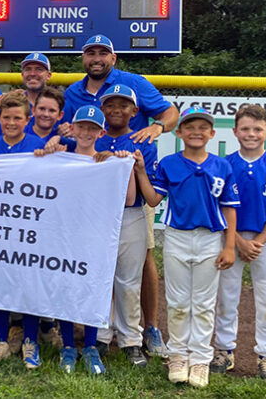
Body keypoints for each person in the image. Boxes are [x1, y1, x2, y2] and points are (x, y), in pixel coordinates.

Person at [63, 34, 179, 357]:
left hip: (133, 206)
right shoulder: (74, 92)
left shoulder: (133, 84)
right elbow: (69, 135)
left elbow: (170, 114)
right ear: (83, 58)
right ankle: (100, 333)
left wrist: (157, 128)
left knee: (138, 264)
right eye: (90, 53)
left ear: (113, 58)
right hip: (94, 209)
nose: (97, 58)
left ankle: (144, 332)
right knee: (98, 270)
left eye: (104, 52)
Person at [133, 106, 239, 388]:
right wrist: (142, 172)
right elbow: (154, 200)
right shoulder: (169, 163)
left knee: (203, 304)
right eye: (190, 127)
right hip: (177, 237)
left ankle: (201, 359)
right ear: (179, 132)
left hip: (209, 239)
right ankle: (178, 355)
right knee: (179, 302)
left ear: (212, 133)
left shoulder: (222, 166)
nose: (196, 132)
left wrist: (230, 246)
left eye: (203, 127)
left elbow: (229, 208)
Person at [212, 104, 266, 382]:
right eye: (245, 129)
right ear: (235, 132)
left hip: (265, 240)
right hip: (231, 239)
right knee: (226, 297)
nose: (251, 134)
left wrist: (257, 243)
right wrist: (237, 241)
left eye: (258, 129)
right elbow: (218, 206)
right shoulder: (225, 165)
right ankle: (224, 351)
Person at [56, 105, 136, 375]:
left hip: (95, 236)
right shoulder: (61, 157)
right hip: (64, 234)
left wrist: (127, 166)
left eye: (93, 128)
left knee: (92, 288)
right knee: (67, 288)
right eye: (82, 127)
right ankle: (68, 345)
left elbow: (129, 199)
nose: (87, 132)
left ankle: (90, 346)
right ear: (73, 128)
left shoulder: (108, 162)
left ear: (101, 132)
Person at [0, 91, 48, 369]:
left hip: (28, 226)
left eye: (17, 118)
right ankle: (1, 339)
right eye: (6, 117)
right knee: (1, 283)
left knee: (27, 283)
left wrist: (48, 155)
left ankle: (30, 340)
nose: (11, 122)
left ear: (27, 120)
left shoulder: (36, 144)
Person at [93, 85, 157, 368]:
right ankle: (101, 336)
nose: (116, 110)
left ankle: (131, 340)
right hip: (99, 216)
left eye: (123, 105)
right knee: (100, 279)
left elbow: (151, 193)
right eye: (110, 105)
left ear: (134, 111)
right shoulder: (95, 138)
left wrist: (138, 167)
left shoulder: (143, 141)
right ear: (103, 110)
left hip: (132, 214)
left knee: (129, 280)